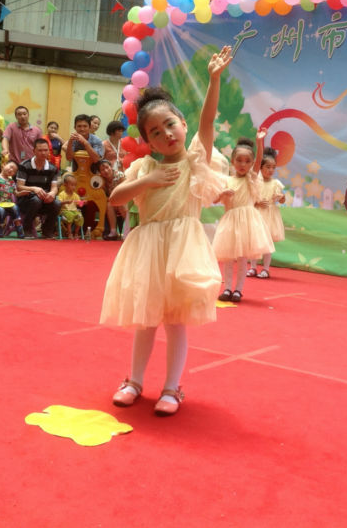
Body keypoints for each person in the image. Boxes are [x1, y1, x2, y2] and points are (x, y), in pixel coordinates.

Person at [102, 46, 232, 417]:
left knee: (175, 321)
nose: (166, 135)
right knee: (145, 318)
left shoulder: (195, 162)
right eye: (155, 132)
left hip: (181, 249)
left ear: (182, 123)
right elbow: (115, 198)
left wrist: (214, 79)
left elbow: (208, 122)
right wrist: (152, 179)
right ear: (149, 141)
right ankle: (133, 381)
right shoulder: (144, 167)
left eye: (170, 124)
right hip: (148, 248)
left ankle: (172, 388)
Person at [212, 133, 274, 303]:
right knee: (228, 259)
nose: (243, 164)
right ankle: (226, 288)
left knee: (242, 258)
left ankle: (238, 290)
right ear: (232, 161)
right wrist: (222, 193)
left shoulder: (251, 178)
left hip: (246, 222)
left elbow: (260, 157)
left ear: (252, 164)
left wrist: (260, 143)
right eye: (239, 160)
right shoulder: (227, 180)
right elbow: (214, 199)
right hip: (231, 221)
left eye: (247, 161)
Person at [248, 146, 286, 279]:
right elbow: (250, 198)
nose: (271, 170)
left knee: (267, 243)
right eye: (268, 167)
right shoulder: (255, 182)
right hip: (257, 214)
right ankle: (253, 267)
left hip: (269, 216)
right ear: (260, 167)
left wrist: (282, 198)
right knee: (255, 242)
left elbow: (281, 200)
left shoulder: (276, 183)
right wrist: (257, 203)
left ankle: (265, 269)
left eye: (273, 167)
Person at [16, 138, 61, 239]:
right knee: (36, 200)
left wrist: (52, 194)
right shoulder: (24, 165)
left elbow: (54, 187)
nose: (43, 153)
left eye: (45, 150)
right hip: (26, 200)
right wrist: (34, 189)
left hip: (44, 199)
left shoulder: (53, 168)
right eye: (40, 150)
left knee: (57, 203)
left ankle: (47, 230)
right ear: (34, 151)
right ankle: (26, 229)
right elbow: (19, 187)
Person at [91, 158, 127, 240]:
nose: (106, 171)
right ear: (100, 173)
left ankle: (128, 229)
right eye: (102, 170)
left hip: (124, 199)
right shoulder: (101, 181)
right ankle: (113, 231)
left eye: (107, 167)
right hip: (113, 201)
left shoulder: (120, 176)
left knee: (122, 204)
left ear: (111, 167)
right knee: (109, 205)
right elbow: (103, 196)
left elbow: (126, 190)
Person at [0, 160, 25, 238]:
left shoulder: (12, 181)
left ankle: (19, 228)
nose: (11, 170)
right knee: (0, 211)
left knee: (15, 208)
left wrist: (24, 192)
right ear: (4, 165)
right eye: (11, 167)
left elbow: (16, 193)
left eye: (14, 171)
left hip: (8, 203)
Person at [57, 173, 84, 238]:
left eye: (75, 185)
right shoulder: (62, 194)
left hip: (74, 211)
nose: (74, 187)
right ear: (65, 184)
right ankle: (69, 233)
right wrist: (66, 202)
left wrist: (83, 203)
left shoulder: (76, 195)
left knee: (80, 217)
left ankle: (76, 233)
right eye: (72, 185)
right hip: (64, 212)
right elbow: (58, 203)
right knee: (70, 216)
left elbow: (80, 205)